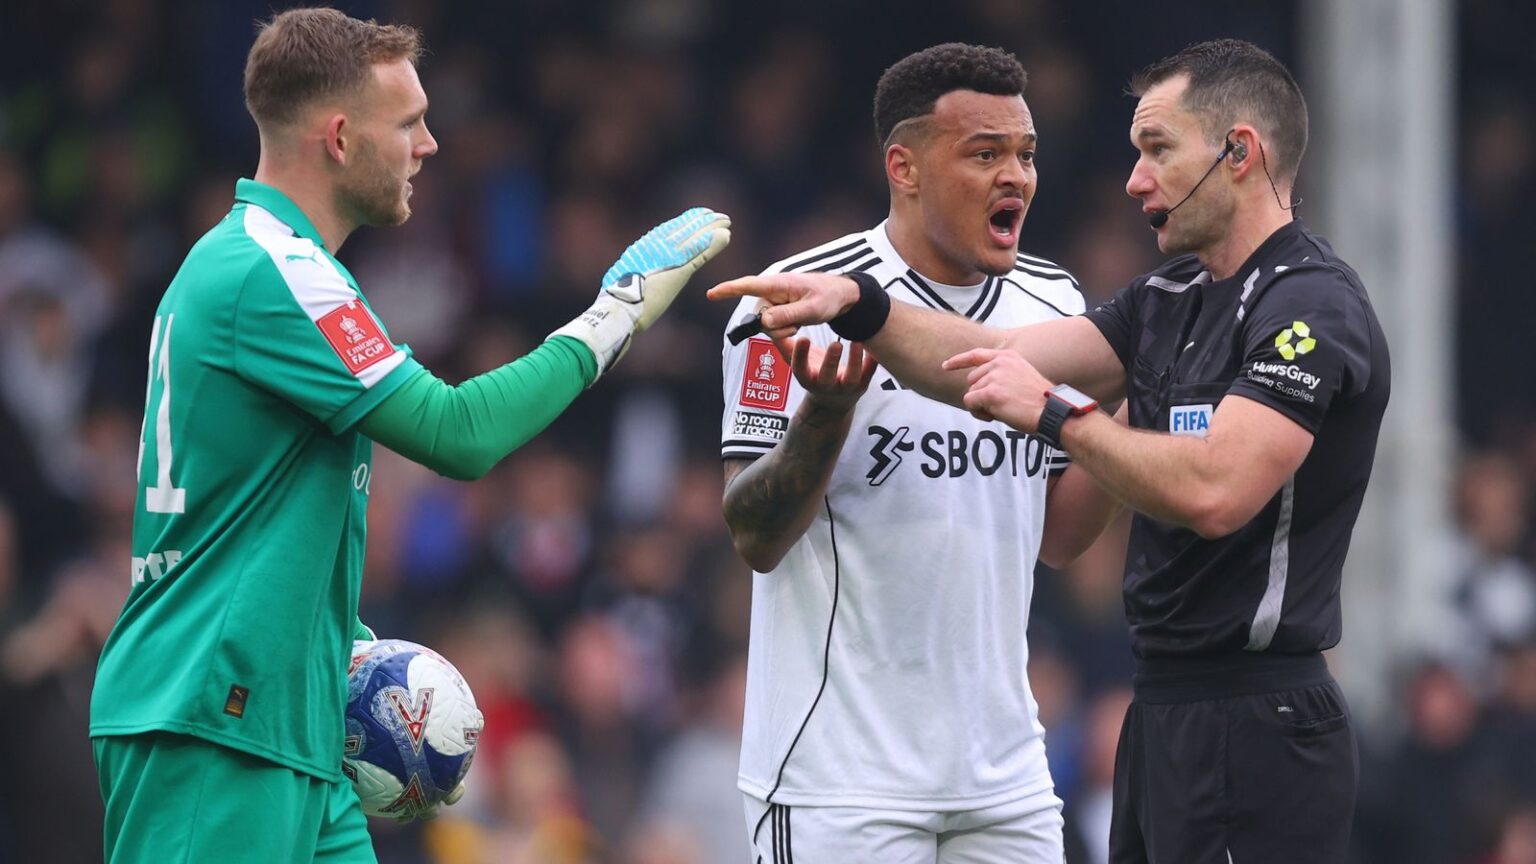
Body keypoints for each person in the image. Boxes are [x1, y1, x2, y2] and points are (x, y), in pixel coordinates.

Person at [712, 38, 1389, 864]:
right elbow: (975, 370)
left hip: (1209, 723)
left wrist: (1066, 416)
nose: (1133, 178)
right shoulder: (1159, 301)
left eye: (1156, 150)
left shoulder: (1300, 302)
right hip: (863, 772)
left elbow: (1181, 498)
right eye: (986, 153)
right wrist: (860, 316)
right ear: (904, 165)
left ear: (1238, 153)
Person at [88, 9, 729, 863]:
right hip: (212, 721)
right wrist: (612, 318)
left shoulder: (278, 264)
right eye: (410, 123)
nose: (429, 144)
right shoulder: (272, 271)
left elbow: (245, 508)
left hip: (284, 722)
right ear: (342, 136)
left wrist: (343, 650)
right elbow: (455, 432)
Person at [719, 43, 1121, 863]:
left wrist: (1128, 404)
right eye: (985, 154)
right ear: (903, 166)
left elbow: (1059, 538)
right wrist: (827, 414)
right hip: (838, 779)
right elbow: (753, 536)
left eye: (1026, 154)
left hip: (1003, 776)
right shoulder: (794, 300)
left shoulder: (1057, 307)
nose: (1017, 177)